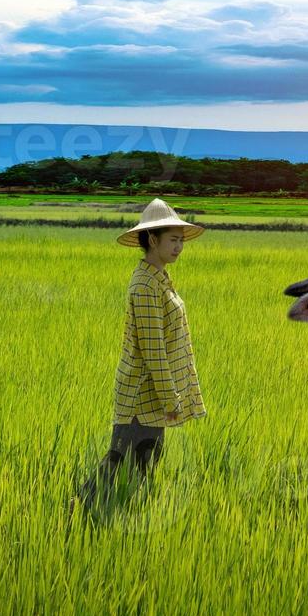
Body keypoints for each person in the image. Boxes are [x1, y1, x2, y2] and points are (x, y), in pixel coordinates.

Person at [78, 199, 206, 517]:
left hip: (150, 396)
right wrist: (171, 400)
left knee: (137, 468)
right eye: (173, 240)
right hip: (141, 397)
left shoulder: (157, 278)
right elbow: (153, 352)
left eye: (181, 240)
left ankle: (92, 517)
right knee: (122, 465)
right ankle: (81, 515)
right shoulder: (145, 286)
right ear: (152, 240)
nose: (179, 247)